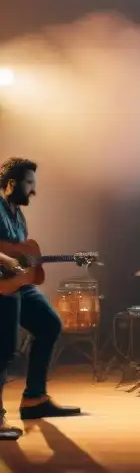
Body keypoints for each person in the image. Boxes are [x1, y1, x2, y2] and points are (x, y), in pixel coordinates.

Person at [0, 157, 82, 441]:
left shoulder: (18, 215)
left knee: (49, 325)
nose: (33, 190)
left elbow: (24, 256)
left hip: (18, 287)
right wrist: (7, 260)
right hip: (1, 290)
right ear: (11, 183)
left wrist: (29, 265)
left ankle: (34, 399)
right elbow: (7, 256)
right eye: (29, 183)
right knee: (3, 349)